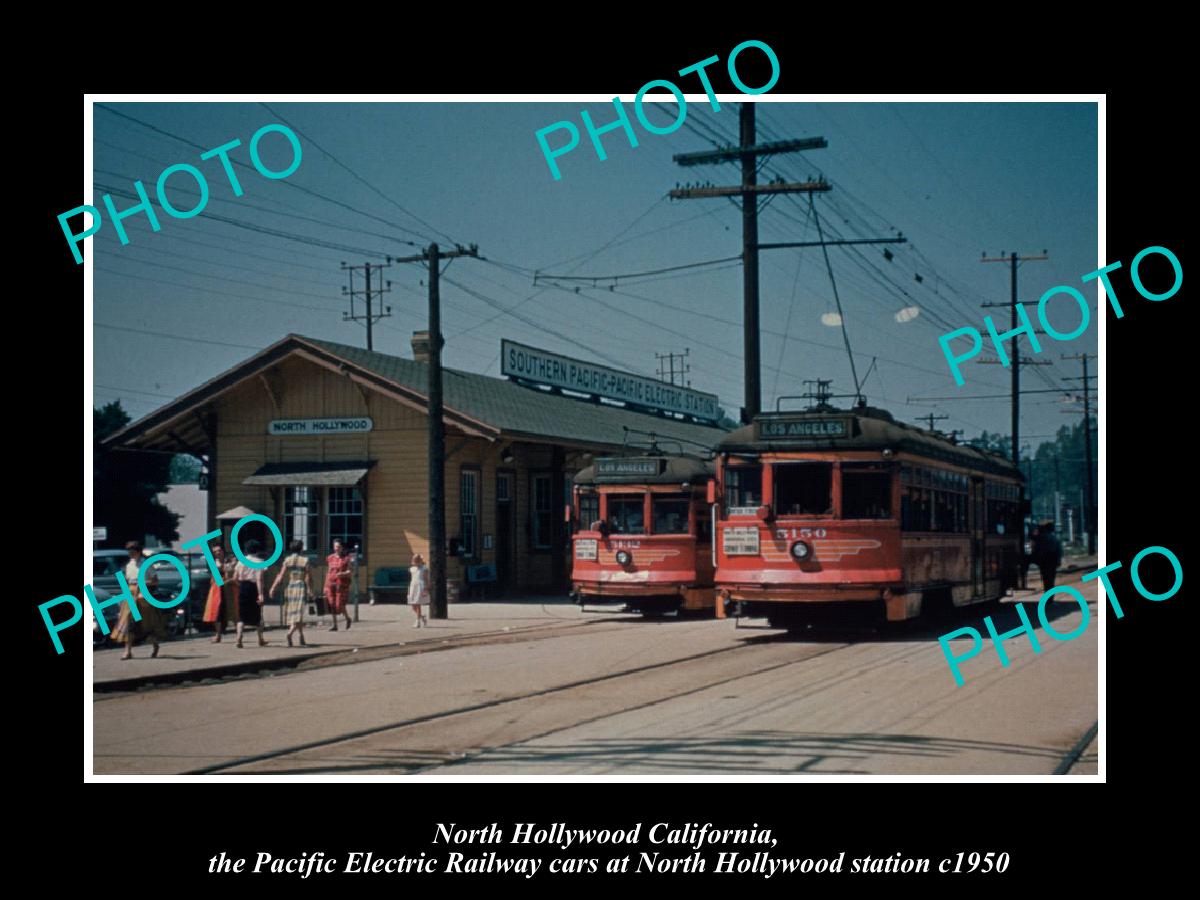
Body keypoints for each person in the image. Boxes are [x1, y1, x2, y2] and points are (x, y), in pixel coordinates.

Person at [111, 541, 167, 660]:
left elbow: (155, 580)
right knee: (128, 622)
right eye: (129, 552)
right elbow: (127, 581)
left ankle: (155, 645)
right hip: (131, 594)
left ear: (138, 551)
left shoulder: (146, 564)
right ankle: (128, 651)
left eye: (132, 551)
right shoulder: (129, 565)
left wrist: (142, 583)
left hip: (143, 594)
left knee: (146, 623)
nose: (130, 554)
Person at [270, 540, 312, 648]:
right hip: (300, 587)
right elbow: (307, 577)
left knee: (294, 613)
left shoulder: (287, 560)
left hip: (290, 587)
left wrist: (273, 587)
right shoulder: (305, 560)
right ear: (301, 548)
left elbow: (281, 575)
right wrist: (310, 590)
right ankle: (290, 633)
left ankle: (301, 637)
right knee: (298, 613)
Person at [233, 539, 269, 649]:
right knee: (257, 615)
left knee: (242, 616)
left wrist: (240, 585)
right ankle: (260, 639)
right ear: (257, 550)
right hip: (254, 588)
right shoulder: (259, 562)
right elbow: (259, 579)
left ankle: (239, 638)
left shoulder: (241, 561)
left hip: (243, 587)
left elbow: (235, 577)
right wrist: (260, 594)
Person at [201, 545, 237, 643]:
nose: (218, 553)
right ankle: (218, 634)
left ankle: (239, 634)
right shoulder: (215, 563)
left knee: (233, 610)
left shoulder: (228, 562)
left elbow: (233, 571)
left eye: (219, 550)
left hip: (228, 589)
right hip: (218, 590)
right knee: (217, 612)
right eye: (216, 551)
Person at [324, 539, 353, 631]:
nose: (336, 548)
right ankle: (335, 625)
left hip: (341, 584)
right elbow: (328, 572)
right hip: (331, 583)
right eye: (335, 546)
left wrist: (342, 574)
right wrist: (325, 585)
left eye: (338, 547)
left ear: (342, 548)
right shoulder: (330, 558)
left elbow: (350, 572)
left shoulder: (346, 558)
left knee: (339, 604)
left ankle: (347, 618)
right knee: (332, 603)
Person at [1032, 520, 1063, 592]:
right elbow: (1058, 551)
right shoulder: (1054, 538)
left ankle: (1047, 597)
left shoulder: (1040, 538)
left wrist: (1037, 560)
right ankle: (1050, 600)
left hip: (1043, 562)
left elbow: (1036, 550)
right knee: (1051, 582)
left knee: (1045, 580)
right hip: (1052, 563)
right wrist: (1058, 562)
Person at [408, 553, 429, 629]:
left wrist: (426, 587)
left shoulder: (424, 568)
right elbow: (412, 578)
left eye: (417, 561)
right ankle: (422, 617)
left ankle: (418, 621)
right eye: (414, 561)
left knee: (418, 603)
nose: (416, 563)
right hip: (413, 586)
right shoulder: (412, 569)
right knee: (413, 605)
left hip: (420, 586)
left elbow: (426, 578)